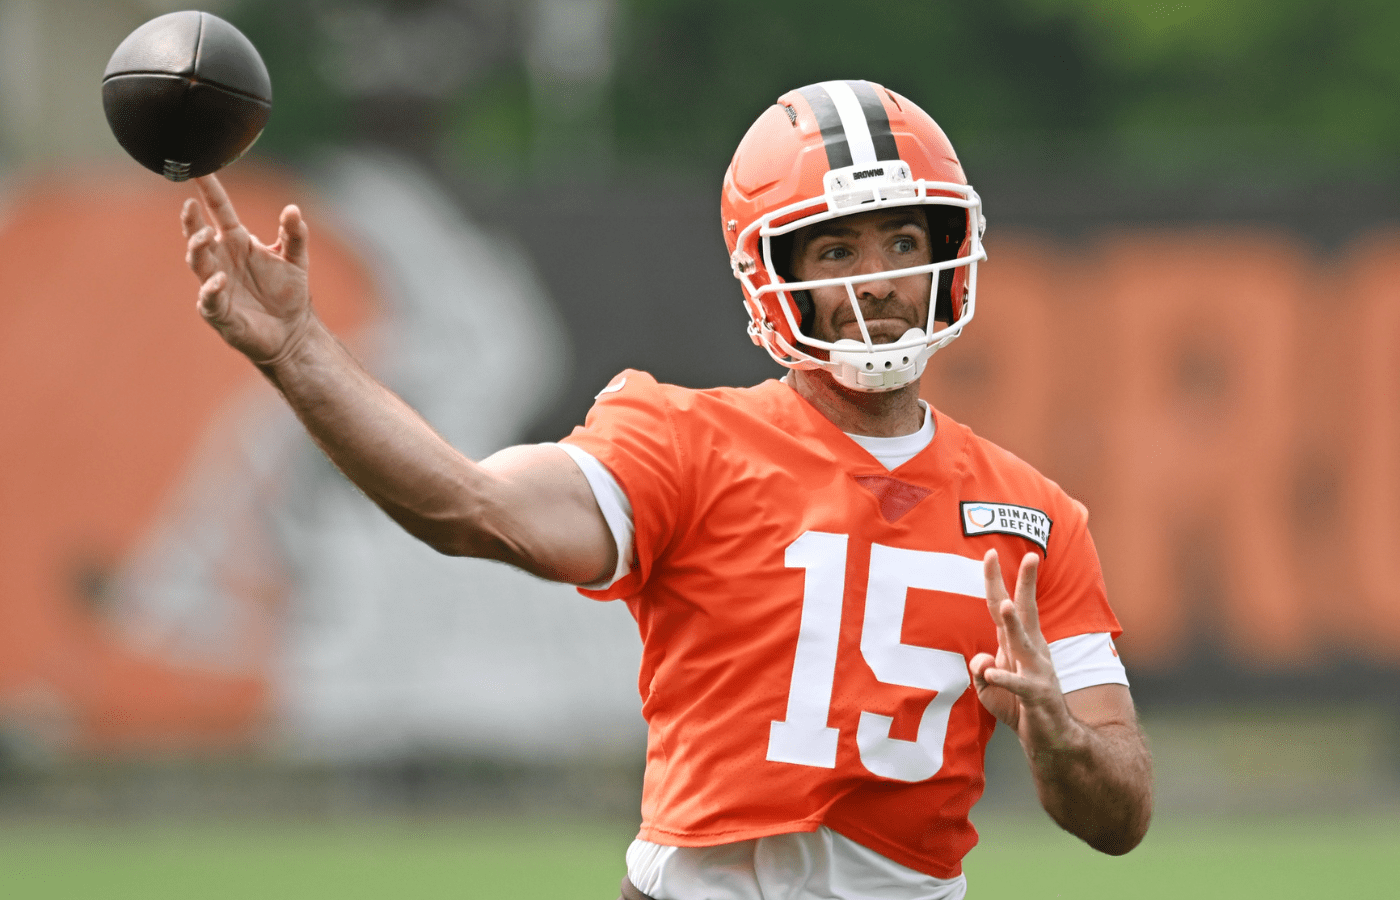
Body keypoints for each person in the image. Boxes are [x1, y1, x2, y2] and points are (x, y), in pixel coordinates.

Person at [181, 79, 1152, 900]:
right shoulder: (685, 442)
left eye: (902, 241)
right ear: (772, 274)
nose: (878, 281)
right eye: (835, 251)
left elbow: (1119, 816)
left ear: (949, 252)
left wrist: (1061, 741)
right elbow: (474, 509)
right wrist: (300, 353)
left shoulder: (1032, 516)